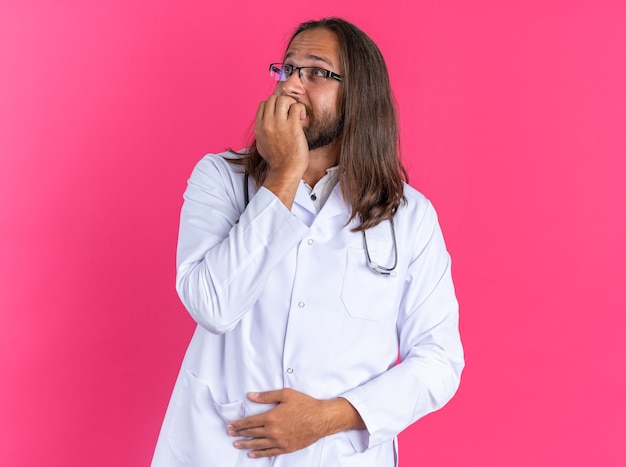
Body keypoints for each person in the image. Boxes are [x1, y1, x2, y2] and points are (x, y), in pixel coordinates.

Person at [152, 17, 464, 466]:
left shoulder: (409, 216)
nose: (292, 85)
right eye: (287, 69)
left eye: (317, 72)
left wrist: (328, 418)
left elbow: (439, 361)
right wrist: (283, 175)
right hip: (219, 449)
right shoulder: (220, 179)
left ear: (359, 96)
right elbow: (213, 307)